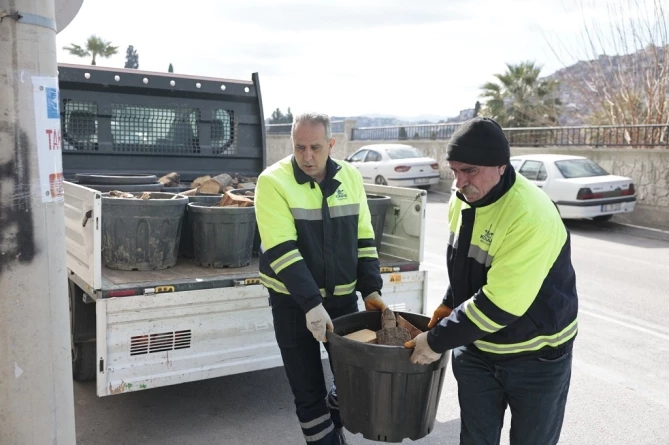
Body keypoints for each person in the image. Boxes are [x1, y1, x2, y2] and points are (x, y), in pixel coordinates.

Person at [405, 117, 578, 445]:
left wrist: (437, 340)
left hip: (537, 356)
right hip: (478, 352)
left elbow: (499, 305)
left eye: (469, 170)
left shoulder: (529, 214)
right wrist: (449, 302)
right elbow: (464, 259)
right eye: (454, 170)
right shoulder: (462, 199)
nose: (459, 182)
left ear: (501, 166)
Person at [255, 112, 387, 445]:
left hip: (343, 302)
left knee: (353, 384)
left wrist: (371, 289)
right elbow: (282, 251)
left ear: (331, 144)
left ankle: (336, 416)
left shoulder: (351, 177)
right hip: (292, 304)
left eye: (315, 147)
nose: (307, 157)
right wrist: (311, 305)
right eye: (300, 148)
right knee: (308, 393)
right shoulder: (272, 182)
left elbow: (364, 238)